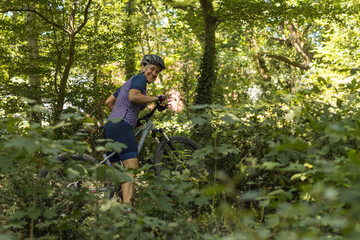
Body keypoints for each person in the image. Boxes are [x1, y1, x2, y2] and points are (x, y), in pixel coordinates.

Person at [104, 54, 166, 205]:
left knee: (117, 174)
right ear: (143, 67)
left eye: (157, 71)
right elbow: (133, 97)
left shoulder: (128, 82)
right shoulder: (140, 79)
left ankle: (113, 207)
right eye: (152, 69)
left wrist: (126, 117)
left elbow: (109, 102)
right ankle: (127, 210)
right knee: (131, 169)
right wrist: (156, 98)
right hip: (122, 128)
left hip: (110, 127)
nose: (154, 73)